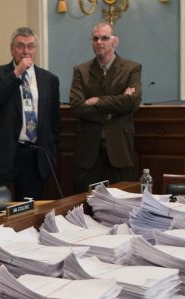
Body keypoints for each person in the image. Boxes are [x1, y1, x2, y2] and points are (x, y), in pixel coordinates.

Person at [0, 27, 61, 201]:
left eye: (30, 46)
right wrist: (17, 73)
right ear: (11, 49)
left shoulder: (49, 79)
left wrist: (51, 152)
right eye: (20, 46)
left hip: (34, 156)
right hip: (3, 153)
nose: (25, 51)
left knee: (30, 214)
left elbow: (54, 121)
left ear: (35, 50)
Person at [69, 22, 142, 193]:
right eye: (95, 38)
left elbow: (132, 102)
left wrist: (97, 101)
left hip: (119, 150)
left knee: (122, 205)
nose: (99, 42)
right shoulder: (81, 70)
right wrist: (114, 108)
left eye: (104, 38)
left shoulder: (131, 69)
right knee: (85, 206)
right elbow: (77, 106)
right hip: (88, 152)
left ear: (115, 41)